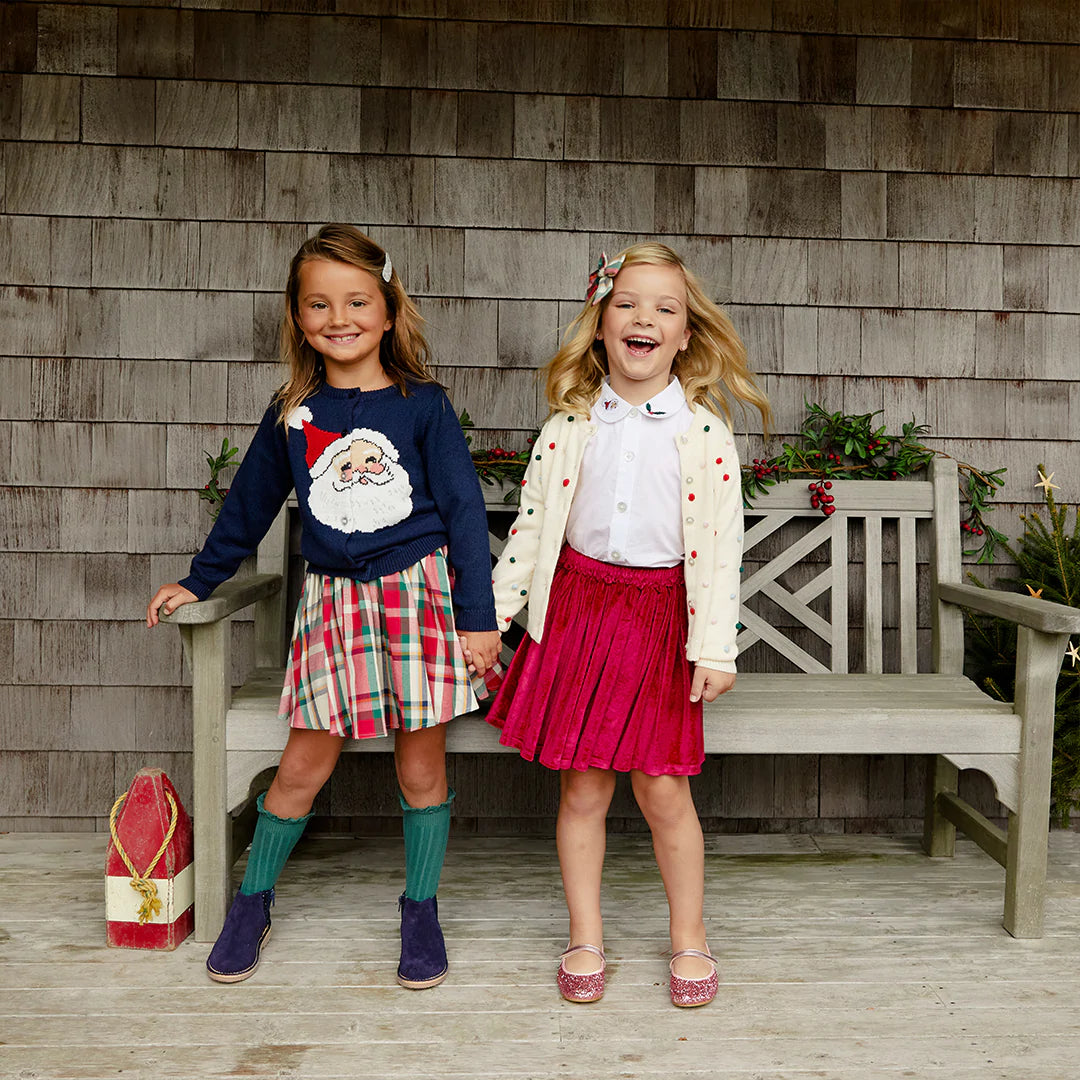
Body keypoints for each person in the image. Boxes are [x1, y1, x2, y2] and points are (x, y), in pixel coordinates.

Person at [147, 224, 500, 988]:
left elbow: (466, 516)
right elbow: (248, 507)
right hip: (333, 605)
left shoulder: (424, 407)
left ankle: (421, 909)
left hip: (419, 599)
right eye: (318, 304)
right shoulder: (293, 410)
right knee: (303, 763)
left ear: (386, 307)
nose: (338, 318)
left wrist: (479, 618)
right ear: (298, 316)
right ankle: (252, 900)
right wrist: (199, 581)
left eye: (356, 301)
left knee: (420, 767)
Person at [487, 242, 770, 1007]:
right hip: (578, 614)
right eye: (628, 304)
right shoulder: (570, 425)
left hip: (655, 624)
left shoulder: (704, 436)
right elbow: (534, 527)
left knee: (662, 790)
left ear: (686, 336)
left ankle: (690, 934)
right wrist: (492, 617)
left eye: (665, 309)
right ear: (603, 323)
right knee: (582, 790)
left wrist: (713, 647)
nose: (644, 318)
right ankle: (587, 933)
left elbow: (718, 551)